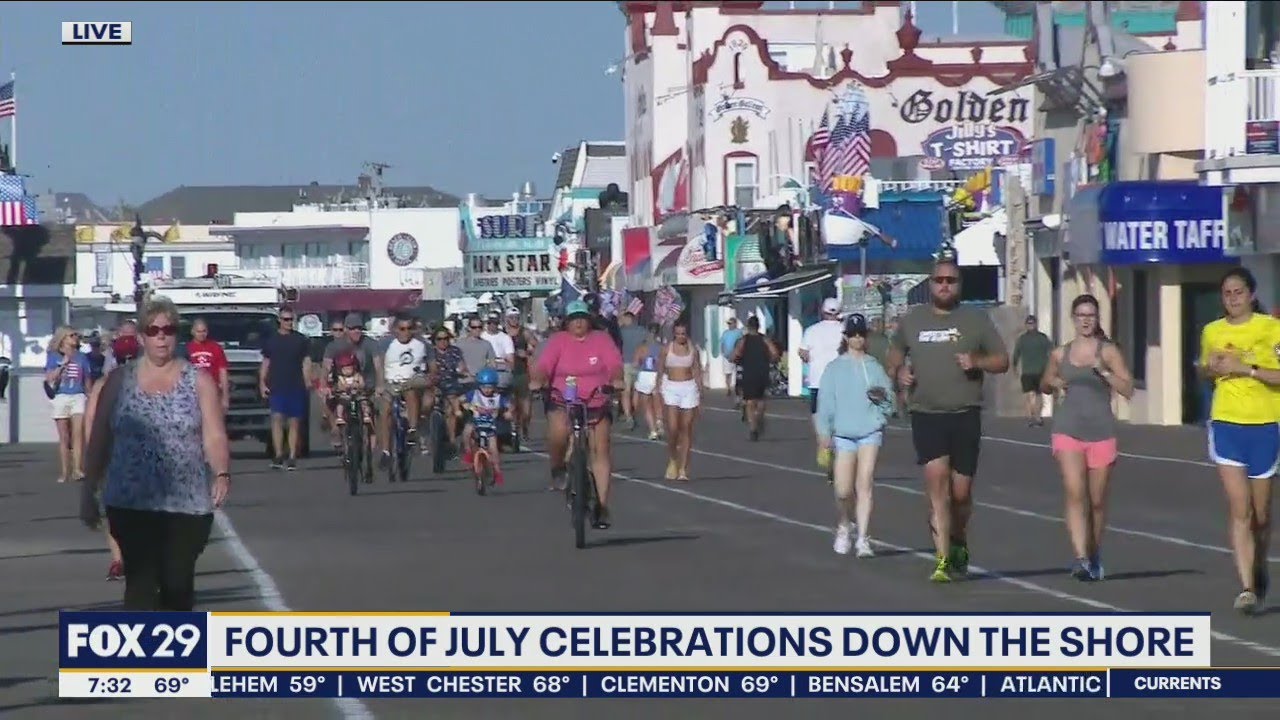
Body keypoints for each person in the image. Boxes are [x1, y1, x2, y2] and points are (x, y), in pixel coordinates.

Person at [81, 296, 231, 611]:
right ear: (141, 337)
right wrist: (88, 490)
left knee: (177, 584)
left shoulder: (198, 381)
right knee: (141, 585)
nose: (161, 336)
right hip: (130, 501)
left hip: (186, 504)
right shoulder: (118, 381)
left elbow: (214, 434)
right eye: (153, 330)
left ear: (178, 334)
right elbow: (99, 439)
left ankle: (177, 656)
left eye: (168, 329)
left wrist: (221, 472)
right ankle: (141, 658)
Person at [886, 256, 1009, 583]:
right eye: (938, 280)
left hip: (965, 414)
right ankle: (941, 559)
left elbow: (1002, 361)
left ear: (959, 285)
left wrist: (977, 360)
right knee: (936, 485)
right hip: (926, 414)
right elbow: (894, 355)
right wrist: (900, 372)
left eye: (950, 281)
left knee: (961, 494)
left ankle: (959, 540)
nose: (944, 285)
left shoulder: (975, 320)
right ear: (930, 284)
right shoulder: (913, 320)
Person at [1198, 267, 1280, 615]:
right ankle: (1247, 587)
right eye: (1227, 293)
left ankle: (1260, 563)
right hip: (1227, 423)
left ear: (1251, 294)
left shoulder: (1270, 328)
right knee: (1239, 508)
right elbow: (1204, 369)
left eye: (1238, 292)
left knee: (1261, 514)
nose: (1232, 299)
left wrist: (1245, 368)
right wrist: (1212, 368)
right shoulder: (1212, 331)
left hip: (1265, 425)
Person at [1039, 294, 1133, 582]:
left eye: (1090, 315)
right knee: (1075, 492)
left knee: (1097, 501)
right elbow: (1044, 383)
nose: (1086, 320)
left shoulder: (1108, 351)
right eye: (1081, 315)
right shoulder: (1059, 353)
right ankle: (1080, 557)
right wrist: (1053, 382)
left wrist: (1104, 372)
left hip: (1101, 431)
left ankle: (1093, 552)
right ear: (1073, 318)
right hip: (1068, 429)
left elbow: (1128, 388)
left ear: (1097, 318)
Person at [531, 299, 623, 521]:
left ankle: (601, 505)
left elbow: (614, 364)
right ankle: (558, 467)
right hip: (563, 399)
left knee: (600, 449)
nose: (578, 323)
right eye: (574, 319)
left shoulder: (601, 340)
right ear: (567, 322)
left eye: (582, 318)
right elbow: (543, 366)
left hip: (595, 400)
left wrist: (617, 379)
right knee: (558, 434)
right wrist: (538, 380)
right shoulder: (558, 341)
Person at [817, 314, 896, 558]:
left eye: (861, 334)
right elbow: (825, 404)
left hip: (869, 431)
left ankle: (863, 538)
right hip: (843, 434)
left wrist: (882, 401)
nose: (857, 338)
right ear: (846, 337)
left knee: (865, 483)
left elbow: (890, 403)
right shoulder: (834, 368)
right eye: (853, 334)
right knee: (843, 489)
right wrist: (824, 435)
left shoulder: (874, 366)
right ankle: (844, 524)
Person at [259, 308, 312, 471]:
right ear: (279, 321)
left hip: (295, 385)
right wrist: (262, 383)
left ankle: (292, 457)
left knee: (294, 422)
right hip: (277, 385)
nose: (289, 323)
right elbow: (265, 363)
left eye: (291, 320)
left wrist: (307, 380)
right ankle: (279, 454)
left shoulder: (301, 340)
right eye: (285, 319)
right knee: (277, 419)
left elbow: (306, 361)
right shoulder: (271, 341)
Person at [799, 298, 846, 465]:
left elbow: (803, 352)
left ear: (822, 311)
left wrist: (810, 359)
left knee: (818, 415)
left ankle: (823, 444)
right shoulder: (844, 330)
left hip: (817, 381)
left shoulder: (812, 330)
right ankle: (837, 447)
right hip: (840, 381)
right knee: (839, 416)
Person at [321, 315, 379, 449]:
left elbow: (378, 366)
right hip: (342, 385)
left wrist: (380, 384)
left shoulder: (370, 343)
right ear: (346, 329)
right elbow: (326, 366)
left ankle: (372, 442)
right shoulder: (334, 346)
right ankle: (336, 430)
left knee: (376, 409)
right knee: (327, 401)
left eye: (359, 328)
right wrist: (324, 385)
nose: (356, 331)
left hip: (366, 385)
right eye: (352, 329)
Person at [379, 315, 430, 466]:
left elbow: (432, 366)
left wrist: (431, 378)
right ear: (395, 329)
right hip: (391, 381)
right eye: (402, 329)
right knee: (385, 410)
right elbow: (379, 365)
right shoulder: (386, 343)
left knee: (410, 390)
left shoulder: (422, 344)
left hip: (413, 380)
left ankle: (413, 430)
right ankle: (386, 451)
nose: (405, 332)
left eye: (409, 329)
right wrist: (380, 384)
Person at [657, 319, 704, 481]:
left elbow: (697, 370)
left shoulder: (693, 350)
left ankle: (683, 468)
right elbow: (660, 370)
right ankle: (673, 458)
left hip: (689, 387)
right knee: (673, 427)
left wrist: (700, 391)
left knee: (687, 428)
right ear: (673, 334)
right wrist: (658, 390)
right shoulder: (666, 349)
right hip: (671, 387)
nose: (680, 337)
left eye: (683, 334)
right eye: (677, 334)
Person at [46, 326, 93, 484]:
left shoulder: (82, 357)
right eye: (71, 335)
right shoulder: (53, 356)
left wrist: (90, 395)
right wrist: (62, 365)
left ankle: (77, 469)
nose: (75, 338)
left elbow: (87, 379)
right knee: (64, 436)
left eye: (76, 335)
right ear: (63, 338)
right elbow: (50, 378)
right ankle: (65, 471)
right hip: (61, 396)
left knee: (78, 434)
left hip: (78, 395)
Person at [732, 315, 779, 441]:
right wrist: (770, 359)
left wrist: (736, 360)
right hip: (762, 372)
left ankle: (753, 427)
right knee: (761, 400)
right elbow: (774, 353)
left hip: (749, 373)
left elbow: (735, 354)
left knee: (750, 402)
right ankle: (758, 418)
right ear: (758, 326)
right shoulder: (765, 339)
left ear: (748, 326)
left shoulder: (744, 340)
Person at [461, 368, 510, 486]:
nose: (487, 390)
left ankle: (497, 471)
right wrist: (464, 406)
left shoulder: (498, 397)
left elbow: (509, 405)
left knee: (494, 449)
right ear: (479, 386)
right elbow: (461, 399)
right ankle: (468, 453)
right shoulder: (474, 394)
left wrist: (508, 412)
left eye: (490, 387)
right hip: (476, 422)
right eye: (484, 387)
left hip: (490, 426)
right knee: (467, 432)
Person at [428, 327, 470, 452]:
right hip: (433, 384)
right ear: (434, 340)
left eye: (446, 338)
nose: (443, 342)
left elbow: (462, 367)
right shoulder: (429, 353)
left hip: (452, 384)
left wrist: (463, 371)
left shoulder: (455, 351)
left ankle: (452, 441)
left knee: (451, 408)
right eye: (439, 339)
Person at [1013, 315, 1054, 426]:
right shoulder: (1024, 339)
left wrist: (1051, 368)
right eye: (1029, 323)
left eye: (1032, 323)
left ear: (1035, 324)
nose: (1031, 325)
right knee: (1032, 395)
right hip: (1029, 372)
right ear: (1026, 325)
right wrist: (1015, 368)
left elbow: (1052, 353)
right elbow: (1016, 356)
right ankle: (1033, 417)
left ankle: (1035, 417)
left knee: (1036, 395)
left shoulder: (1041, 338)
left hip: (1039, 371)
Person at [506, 309, 538, 440]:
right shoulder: (503, 334)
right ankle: (515, 430)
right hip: (509, 373)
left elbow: (537, 347)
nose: (514, 320)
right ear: (507, 319)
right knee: (512, 405)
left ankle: (525, 425)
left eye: (516, 317)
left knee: (526, 410)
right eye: (511, 317)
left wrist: (527, 353)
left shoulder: (524, 332)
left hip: (523, 372)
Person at [186, 318, 230, 413]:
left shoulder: (216, 347)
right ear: (192, 331)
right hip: (193, 395)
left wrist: (225, 397)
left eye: (204, 331)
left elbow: (223, 372)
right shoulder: (186, 349)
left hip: (213, 393)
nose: (201, 334)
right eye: (198, 331)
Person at [632, 323, 665, 440]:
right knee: (658, 401)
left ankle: (653, 430)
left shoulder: (642, 347)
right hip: (658, 374)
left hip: (645, 374)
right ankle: (659, 422)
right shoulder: (662, 347)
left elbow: (636, 362)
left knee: (646, 404)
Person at [618, 311, 648, 429]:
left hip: (625, 362)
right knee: (636, 391)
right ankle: (633, 413)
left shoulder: (621, 332)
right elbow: (647, 345)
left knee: (625, 392)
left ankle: (628, 416)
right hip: (639, 363)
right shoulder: (642, 331)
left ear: (627, 319)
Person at [720, 316, 744, 402]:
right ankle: (728, 388)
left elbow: (741, 343)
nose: (729, 325)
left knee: (738, 372)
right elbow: (722, 343)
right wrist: (723, 352)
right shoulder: (725, 333)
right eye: (728, 324)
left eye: (730, 323)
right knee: (727, 373)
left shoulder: (739, 332)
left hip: (737, 356)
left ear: (735, 324)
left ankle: (738, 388)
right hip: (727, 357)